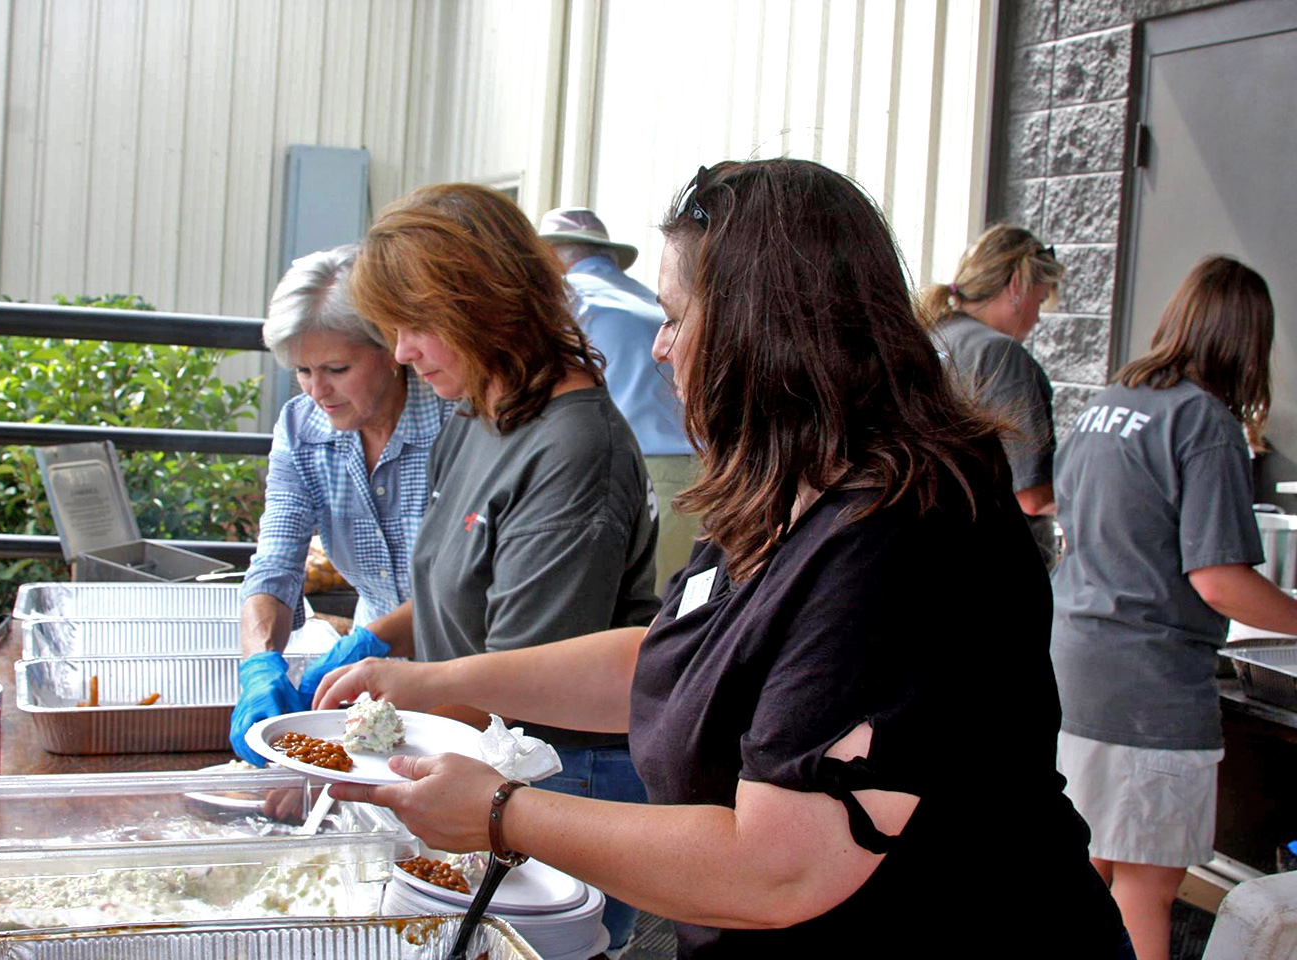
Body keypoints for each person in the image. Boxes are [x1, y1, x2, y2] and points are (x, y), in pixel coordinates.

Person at [316, 160, 1131, 957]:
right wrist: (432, 680)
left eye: (675, 316)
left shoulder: (903, 534)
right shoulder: (781, 481)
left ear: (763, 326)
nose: (662, 348)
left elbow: (778, 869)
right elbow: (672, 656)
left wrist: (502, 812)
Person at [342, 183, 661, 954]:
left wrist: (346, 744)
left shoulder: (573, 450)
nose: (401, 354)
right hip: (469, 753)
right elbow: (455, 584)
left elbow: (524, 682)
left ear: (486, 305)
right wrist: (367, 648)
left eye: (416, 326)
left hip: (554, 782)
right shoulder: (481, 408)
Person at [1050, 256, 1297, 960]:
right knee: (1144, 893)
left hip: (1074, 670)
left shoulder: (1106, 405)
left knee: (1085, 879)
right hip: (1148, 691)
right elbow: (1219, 581)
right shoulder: (1206, 420)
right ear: (1248, 341)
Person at [229, 245, 453, 766]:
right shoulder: (302, 427)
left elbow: (465, 584)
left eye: (336, 367)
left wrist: (369, 643)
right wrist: (259, 663)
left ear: (391, 349)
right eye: (302, 371)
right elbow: (276, 562)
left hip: (467, 665)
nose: (317, 391)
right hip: (369, 670)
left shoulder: (454, 423)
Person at [538, 206, 699, 587]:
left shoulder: (566, 301)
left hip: (632, 474)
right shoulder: (648, 299)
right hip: (699, 470)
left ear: (549, 258)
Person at [921, 225, 1065, 562]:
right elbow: (1030, 494)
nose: (1038, 318)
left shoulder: (932, 337)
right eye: (1040, 300)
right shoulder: (1002, 355)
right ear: (1016, 285)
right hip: (993, 560)